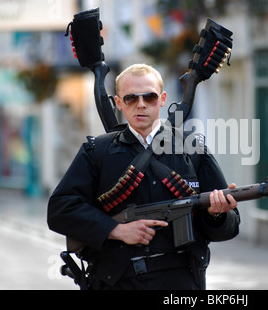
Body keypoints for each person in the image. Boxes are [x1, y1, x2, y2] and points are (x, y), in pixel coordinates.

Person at [47, 63, 240, 290]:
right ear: (118, 103)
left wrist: (216, 216)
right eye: (130, 98)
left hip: (180, 283)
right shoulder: (97, 152)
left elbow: (231, 226)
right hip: (117, 281)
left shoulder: (193, 149)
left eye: (149, 97)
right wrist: (115, 230)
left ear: (162, 99)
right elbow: (60, 209)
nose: (141, 105)